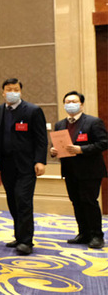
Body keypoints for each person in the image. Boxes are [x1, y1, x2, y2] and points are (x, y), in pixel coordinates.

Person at [0, 77, 48, 255]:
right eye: (9, 89)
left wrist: (40, 161)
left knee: (23, 201)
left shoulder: (33, 111)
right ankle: (19, 236)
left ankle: (26, 241)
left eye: (16, 89)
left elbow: (41, 138)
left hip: (26, 165)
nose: (12, 92)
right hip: (6, 165)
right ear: (3, 92)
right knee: (13, 201)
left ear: (20, 91)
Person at [51, 90, 107, 249]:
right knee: (76, 203)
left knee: (89, 203)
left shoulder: (93, 122)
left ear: (81, 105)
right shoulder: (60, 124)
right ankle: (83, 233)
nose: (70, 104)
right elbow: (59, 145)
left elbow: (104, 143)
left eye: (74, 102)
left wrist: (81, 149)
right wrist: (53, 151)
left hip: (89, 171)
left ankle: (96, 235)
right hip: (70, 171)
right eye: (67, 102)